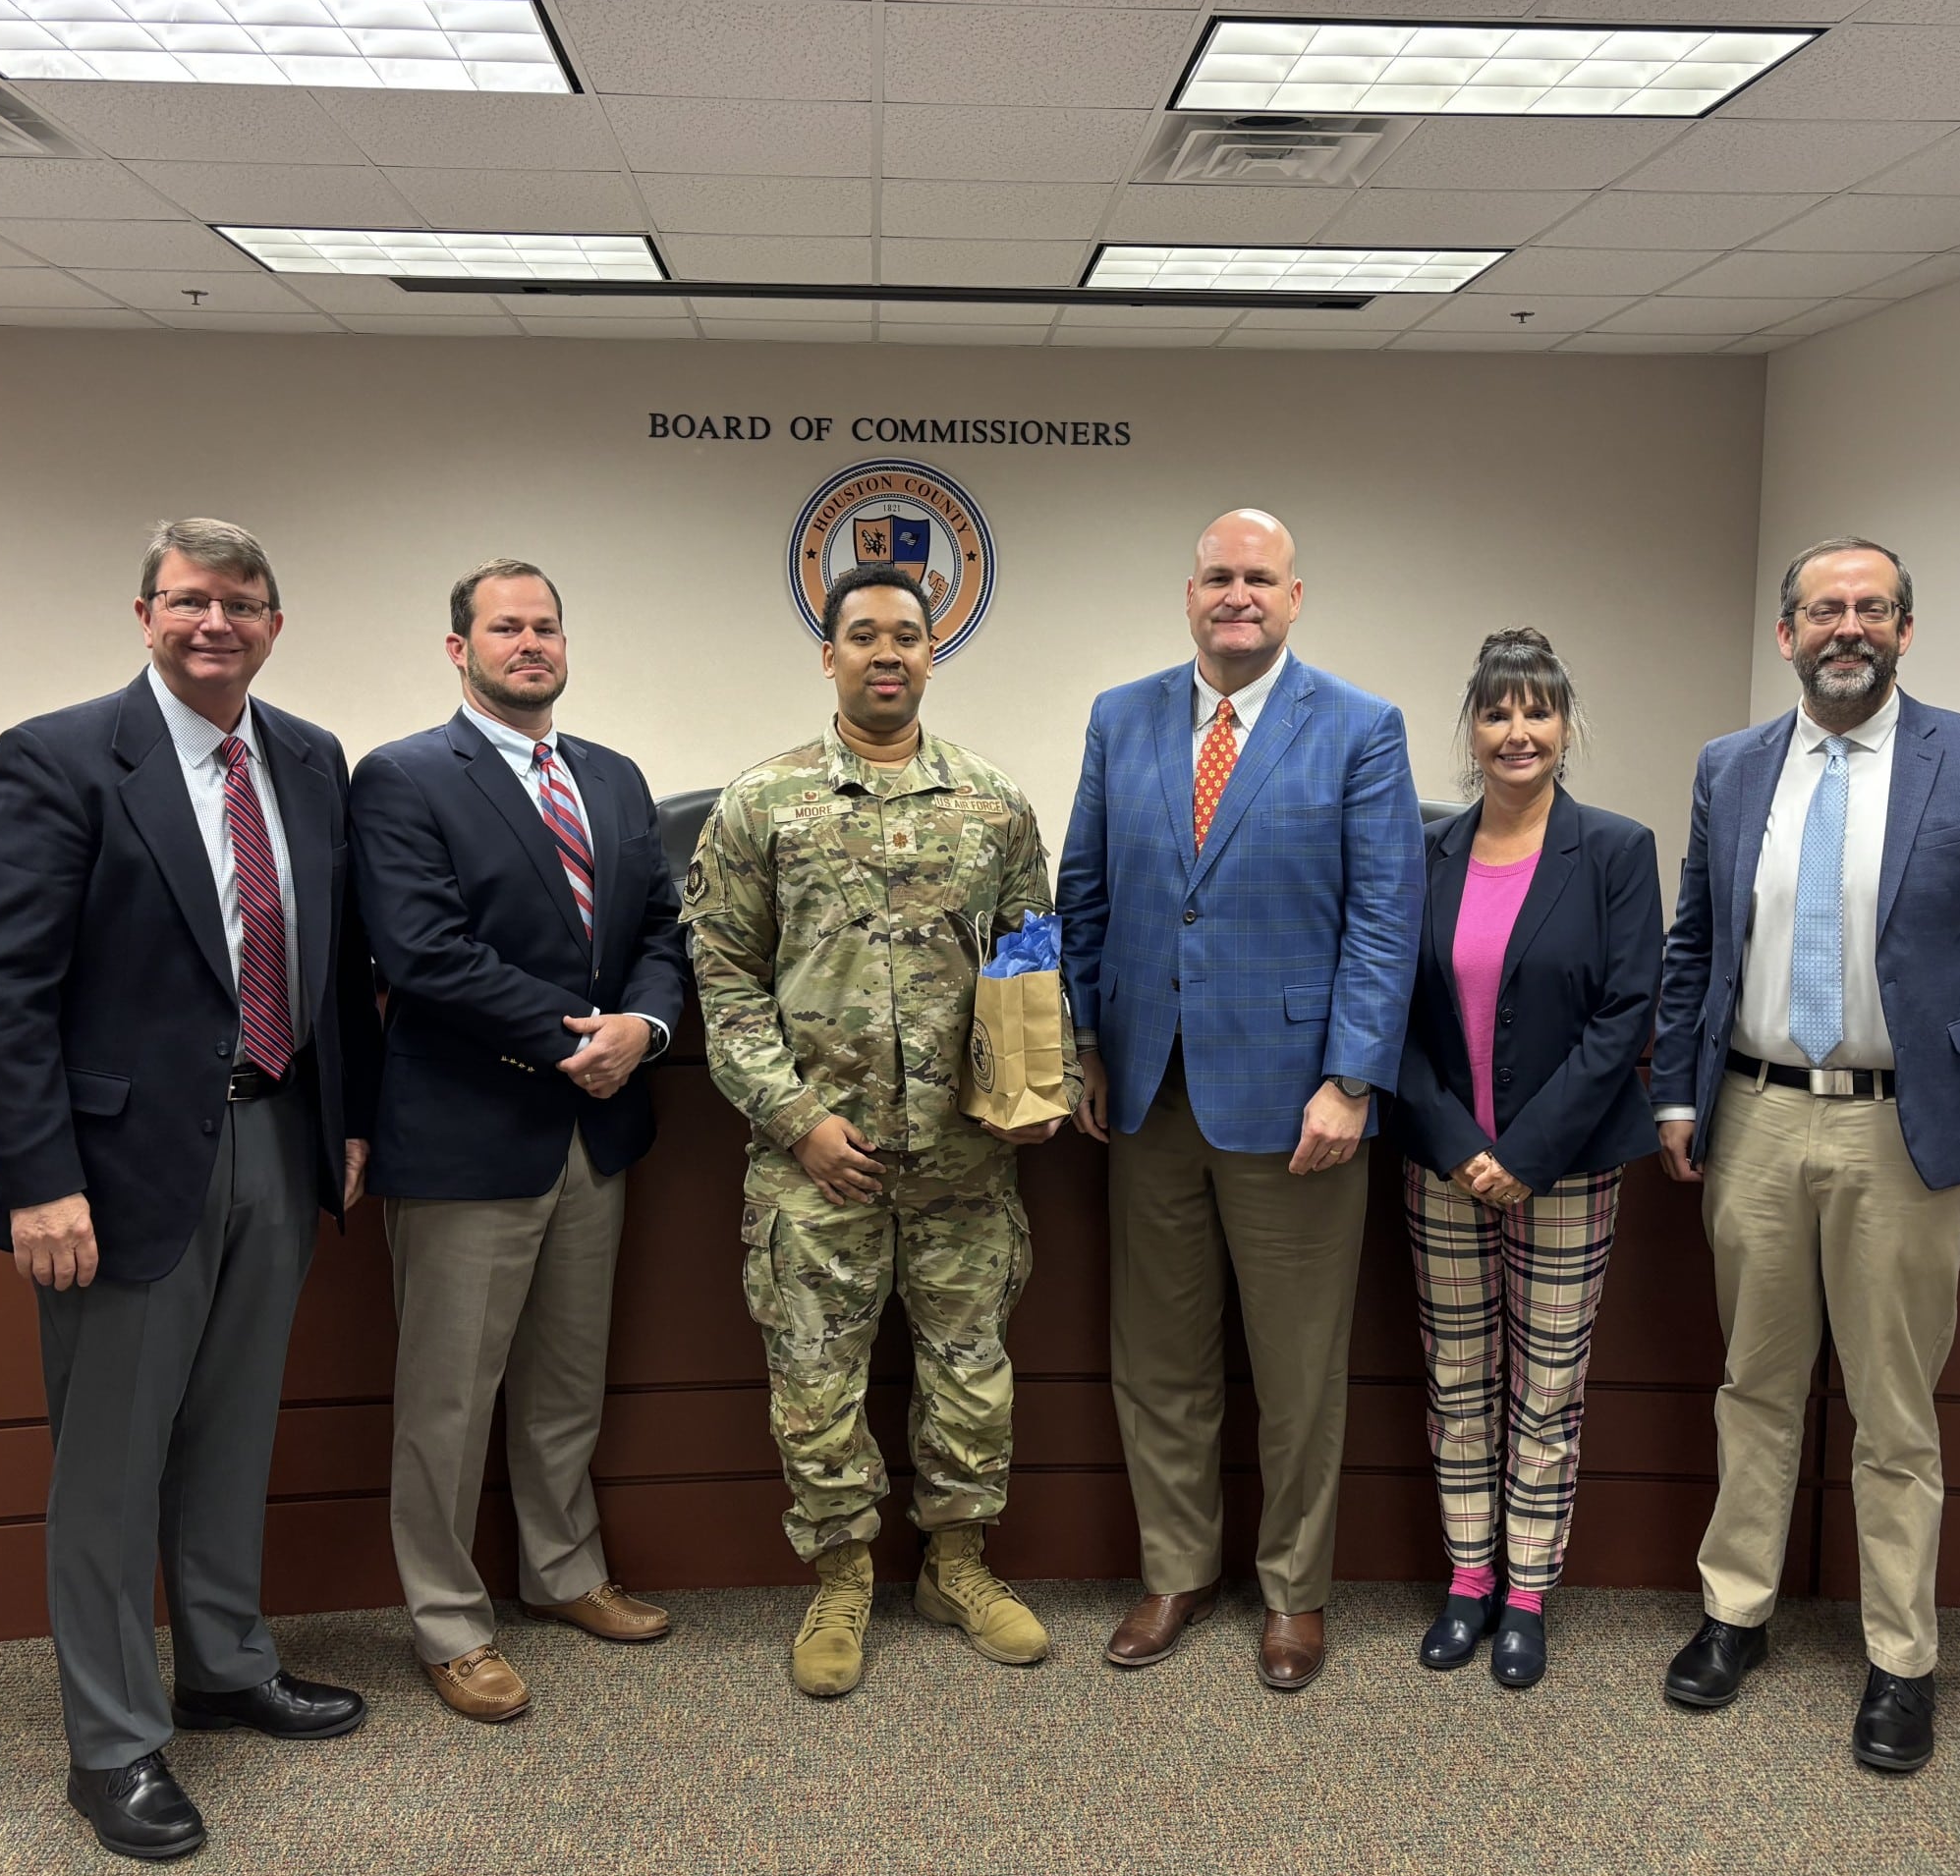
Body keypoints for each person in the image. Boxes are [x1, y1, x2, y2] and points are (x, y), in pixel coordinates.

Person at [0, 519, 380, 1862]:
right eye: (189, 601)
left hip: (277, 1136)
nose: (215, 623)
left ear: (273, 625)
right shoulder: (60, 756)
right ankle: (114, 1745)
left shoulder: (308, 758)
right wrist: (36, 1182)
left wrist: (346, 1121)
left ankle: (226, 1666)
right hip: (117, 1168)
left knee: (232, 1432)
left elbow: (333, 953)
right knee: (110, 1466)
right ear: (143, 613)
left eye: (241, 603)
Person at [1651, 536, 1960, 1773]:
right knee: (1755, 1387)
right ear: (1784, 633)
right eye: (1826, 609)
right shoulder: (1730, 769)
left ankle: (1901, 1657)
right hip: (1756, 1114)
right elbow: (1696, 946)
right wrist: (1677, 1095)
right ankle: (1735, 1613)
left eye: (1873, 609)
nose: (1850, 626)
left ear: (1902, 631)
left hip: (1908, 1123)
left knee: (1894, 1410)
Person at [683, 561, 1075, 1698]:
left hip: (964, 1164)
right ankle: (842, 1574)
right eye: (864, 635)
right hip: (818, 1169)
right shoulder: (763, 803)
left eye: (906, 633)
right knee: (815, 1382)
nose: (887, 652)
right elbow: (724, 981)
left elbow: (1028, 961)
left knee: (970, 1376)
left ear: (931, 650)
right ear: (830, 654)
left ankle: (955, 1564)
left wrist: (1034, 1088)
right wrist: (797, 1119)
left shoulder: (995, 804)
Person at [1060, 508, 1424, 1692]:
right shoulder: (1124, 717)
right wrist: (1083, 1039)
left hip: (1298, 1106)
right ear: (1189, 592)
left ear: (1294, 596)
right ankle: (1176, 1572)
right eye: (1218, 576)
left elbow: (1385, 916)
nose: (1237, 595)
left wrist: (1352, 1078)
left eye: (1258, 578)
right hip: (1148, 1092)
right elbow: (1086, 889)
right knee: (1156, 1356)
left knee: (1297, 1370)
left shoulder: (1361, 729)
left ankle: (1292, 1594)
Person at [348, 559, 690, 1724]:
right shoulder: (401, 778)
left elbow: (658, 925)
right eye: (506, 628)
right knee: (447, 1399)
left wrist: (641, 1027)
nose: (530, 644)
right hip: (468, 1131)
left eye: (545, 627)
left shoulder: (612, 774)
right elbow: (420, 949)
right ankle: (448, 1623)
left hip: (594, 1132)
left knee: (563, 1383)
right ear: (460, 648)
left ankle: (564, 1573)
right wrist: (567, 1040)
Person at [1391, 629, 1661, 1691]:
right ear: (1470, 728)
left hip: (1570, 1166)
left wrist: (1527, 1153)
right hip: (1441, 1165)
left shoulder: (1614, 851)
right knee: (1457, 1379)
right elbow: (1391, 1013)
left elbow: (1624, 1013)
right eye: (1497, 712)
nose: (1517, 732)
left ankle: (1526, 1594)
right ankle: (1466, 1581)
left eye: (1536, 711)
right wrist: (1460, 1146)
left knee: (1545, 1388)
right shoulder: (1423, 853)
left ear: (1565, 727)